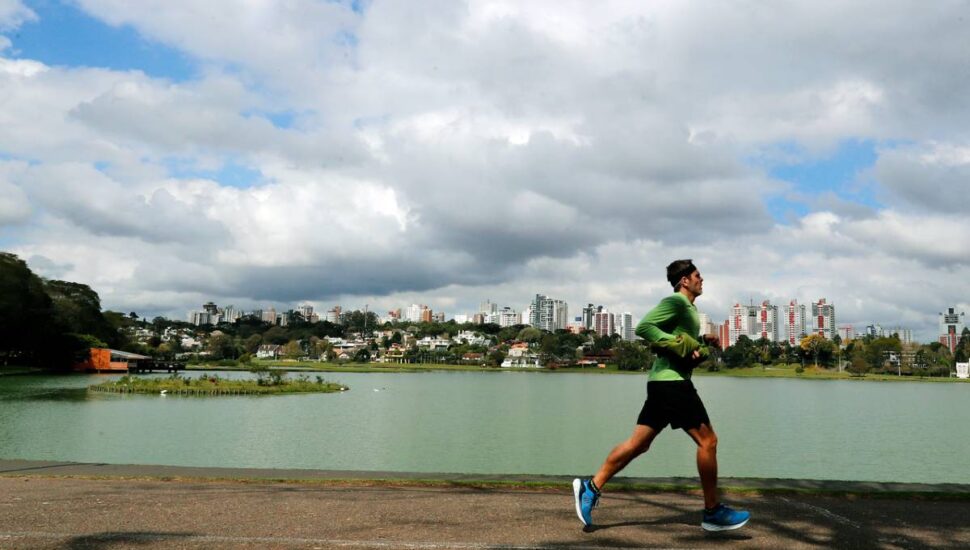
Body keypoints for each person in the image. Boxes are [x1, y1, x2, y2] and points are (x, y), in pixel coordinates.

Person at [572, 259, 750, 532]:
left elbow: (682, 348)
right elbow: (644, 327)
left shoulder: (689, 309)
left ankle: (591, 487)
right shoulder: (677, 302)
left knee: (638, 444)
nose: (702, 280)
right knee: (708, 441)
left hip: (662, 383)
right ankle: (712, 512)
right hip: (672, 385)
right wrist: (682, 344)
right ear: (684, 281)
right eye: (697, 276)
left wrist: (702, 343)